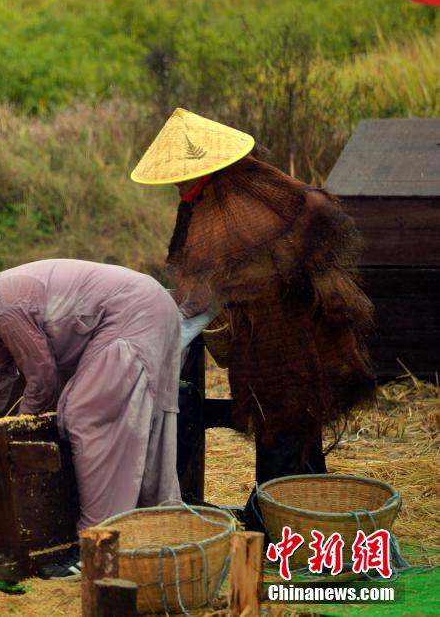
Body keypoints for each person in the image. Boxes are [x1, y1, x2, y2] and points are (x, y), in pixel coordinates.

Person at [131, 108, 376, 532]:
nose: (178, 186)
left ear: (202, 169)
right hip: (276, 333)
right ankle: (298, 510)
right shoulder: (226, 192)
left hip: (286, 336)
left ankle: (282, 520)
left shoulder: (238, 200)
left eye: (181, 178)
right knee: (292, 423)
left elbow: (224, 278)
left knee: (285, 418)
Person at [0, 259, 182, 580]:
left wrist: (21, 430)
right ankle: (159, 528)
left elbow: (42, 378)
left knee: (84, 415)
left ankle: (95, 547)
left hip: (136, 313)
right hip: (147, 306)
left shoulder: (4, 309)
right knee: (113, 414)